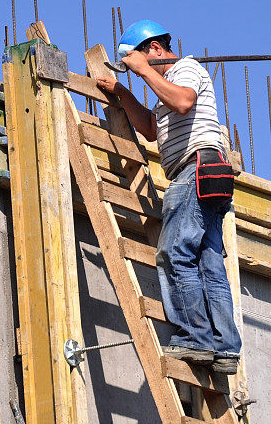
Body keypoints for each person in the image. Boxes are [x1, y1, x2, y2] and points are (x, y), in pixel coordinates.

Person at [95, 20, 241, 374]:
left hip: (194, 172)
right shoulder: (167, 83)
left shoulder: (186, 69)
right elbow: (149, 130)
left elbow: (183, 101)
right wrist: (124, 94)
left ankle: (195, 338)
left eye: (140, 58)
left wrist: (143, 71)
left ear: (155, 49)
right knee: (208, 263)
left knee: (175, 252)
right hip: (205, 174)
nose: (137, 68)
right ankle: (224, 347)